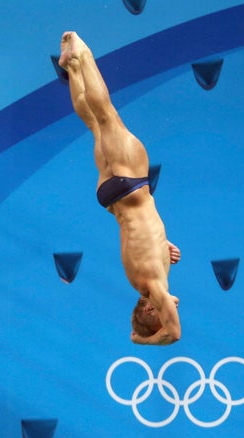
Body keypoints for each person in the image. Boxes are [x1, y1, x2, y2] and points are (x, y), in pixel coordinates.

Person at [58, 32, 181, 345]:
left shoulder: (154, 285)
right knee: (94, 123)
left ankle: (82, 56)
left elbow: (174, 336)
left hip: (132, 188)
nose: (170, 314)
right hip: (111, 196)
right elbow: (146, 239)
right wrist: (167, 246)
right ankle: (72, 69)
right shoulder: (141, 280)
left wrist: (143, 340)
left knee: (106, 115)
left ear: (151, 310)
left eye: (160, 317)